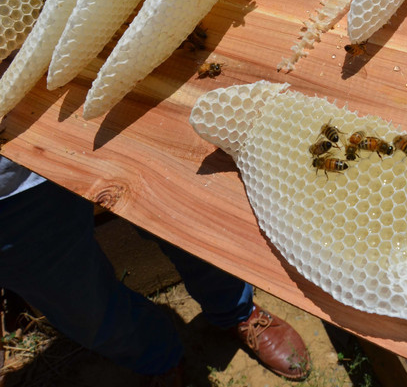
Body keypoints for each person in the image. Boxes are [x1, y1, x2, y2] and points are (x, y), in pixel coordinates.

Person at [0, 156, 311, 386]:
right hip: (8, 197)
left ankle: (236, 310)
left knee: (190, 230)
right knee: (78, 303)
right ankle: (157, 360)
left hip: (78, 110)